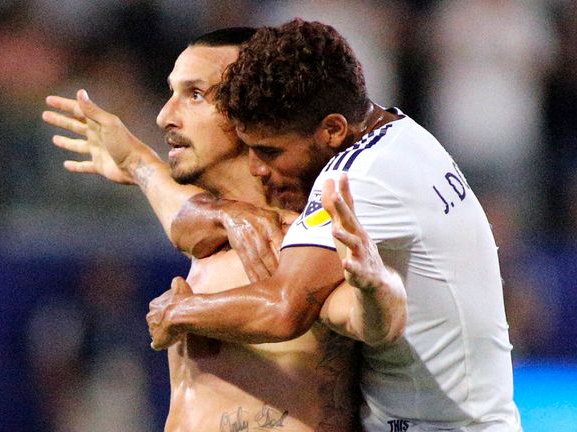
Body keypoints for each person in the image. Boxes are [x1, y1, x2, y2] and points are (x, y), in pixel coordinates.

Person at [144, 20, 522, 431]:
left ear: (333, 130)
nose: (259, 168)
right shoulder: (397, 134)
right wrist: (136, 163)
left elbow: (285, 308)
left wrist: (179, 311)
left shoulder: (356, 180)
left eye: (270, 151)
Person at [43, 27, 407, 431]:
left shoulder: (303, 242)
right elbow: (187, 217)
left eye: (195, 94)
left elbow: (372, 320)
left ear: (251, 108)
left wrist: (377, 287)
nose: (164, 115)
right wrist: (136, 161)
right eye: (171, 92)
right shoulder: (222, 229)